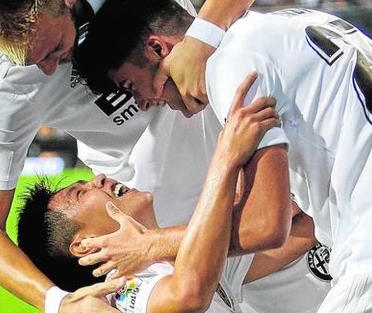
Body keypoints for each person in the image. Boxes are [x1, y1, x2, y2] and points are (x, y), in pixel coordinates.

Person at [74, 0, 372, 312]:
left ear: (158, 48)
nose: (147, 103)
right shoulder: (291, 25)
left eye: (134, 86)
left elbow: (265, 225)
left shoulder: (229, 64)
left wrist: (150, 245)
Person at [0, 0, 296, 312]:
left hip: (236, 136)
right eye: (31, 62)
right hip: (144, 213)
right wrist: (59, 303)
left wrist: (202, 39)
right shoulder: (3, 86)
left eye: (54, 49)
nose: (48, 68)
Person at [16, 87, 317, 313]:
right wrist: (227, 158)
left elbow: (292, 234)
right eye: (81, 192)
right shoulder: (119, 291)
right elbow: (189, 296)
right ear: (84, 245)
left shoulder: (175, 259)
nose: (99, 179)